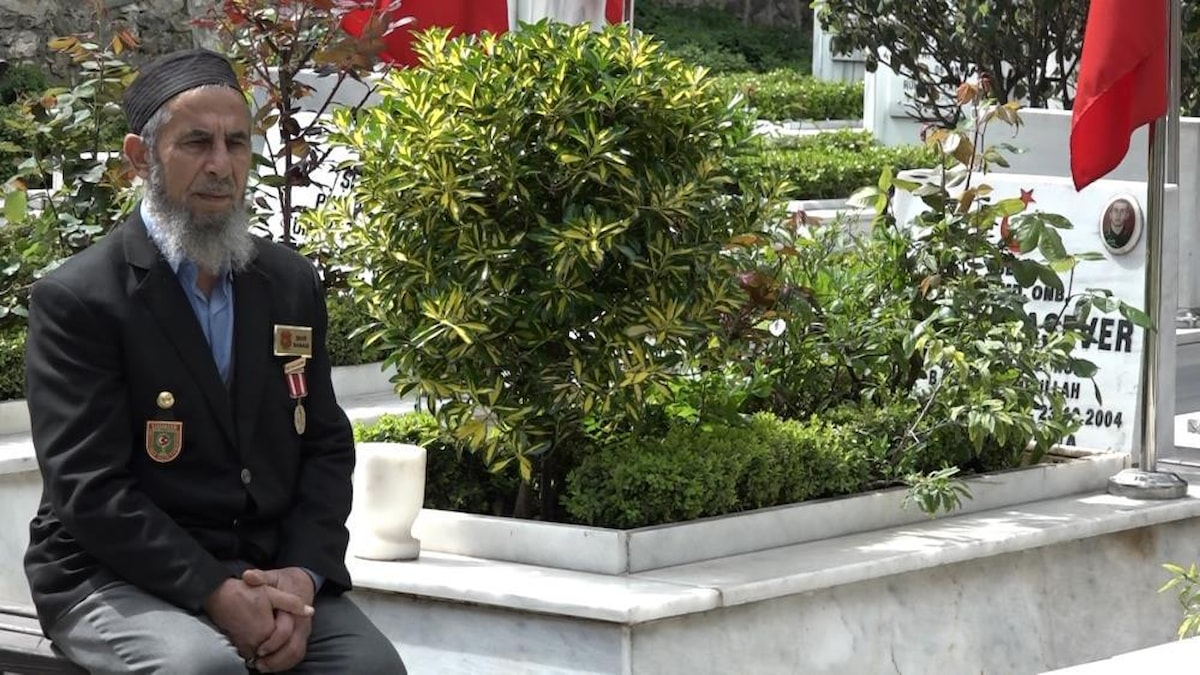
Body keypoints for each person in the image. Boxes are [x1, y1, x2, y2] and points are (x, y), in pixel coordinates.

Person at [22, 48, 406, 674]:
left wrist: (302, 575)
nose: (221, 166)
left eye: (237, 143)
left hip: (266, 568)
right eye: (196, 143)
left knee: (371, 668)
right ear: (139, 157)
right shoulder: (80, 298)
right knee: (203, 669)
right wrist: (216, 593)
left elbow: (325, 445)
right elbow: (89, 488)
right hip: (113, 572)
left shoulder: (288, 283)